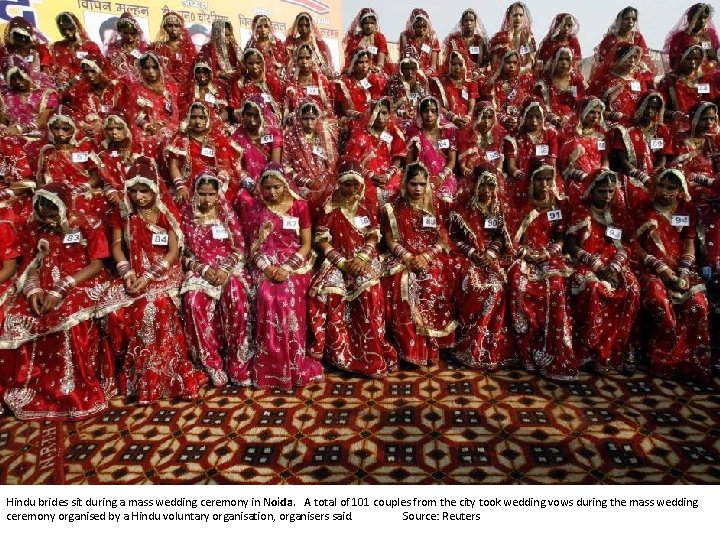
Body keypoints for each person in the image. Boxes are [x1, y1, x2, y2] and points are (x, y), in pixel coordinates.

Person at [0, 184, 112, 420]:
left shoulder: (86, 223)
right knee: (17, 317)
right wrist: (33, 291)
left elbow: (96, 265)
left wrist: (62, 288)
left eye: (53, 218)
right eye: (45, 218)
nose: (50, 223)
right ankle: (30, 390)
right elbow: (32, 264)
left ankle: (69, 392)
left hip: (83, 280)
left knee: (64, 316)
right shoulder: (38, 228)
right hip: (46, 283)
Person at [100, 157, 206, 404]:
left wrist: (149, 276)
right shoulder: (124, 211)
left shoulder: (163, 210)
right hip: (132, 270)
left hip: (163, 270)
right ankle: (130, 377)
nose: (138, 196)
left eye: (144, 190)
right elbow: (117, 245)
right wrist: (126, 272)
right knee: (112, 309)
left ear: (155, 189)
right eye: (134, 191)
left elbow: (172, 251)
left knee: (153, 306)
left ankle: (159, 375)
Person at [308, 159, 396, 377]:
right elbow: (322, 241)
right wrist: (343, 263)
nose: (350, 189)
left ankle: (372, 352)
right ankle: (339, 353)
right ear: (339, 184)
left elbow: (373, 236)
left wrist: (361, 259)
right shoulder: (330, 208)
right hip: (338, 261)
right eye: (346, 184)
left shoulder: (365, 207)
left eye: (354, 184)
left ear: (360, 185)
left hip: (363, 259)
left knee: (369, 292)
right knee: (330, 291)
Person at [241, 162, 324, 390]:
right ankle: (271, 368)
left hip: (295, 263)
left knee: (285, 297)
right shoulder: (257, 209)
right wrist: (267, 269)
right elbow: (254, 248)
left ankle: (292, 364)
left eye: (277, 187)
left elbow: (306, 245)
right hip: (265, 263)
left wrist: (287, 268)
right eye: (267, 188)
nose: (273, 192)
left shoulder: (299, 206)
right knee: (267, 295)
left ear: (285, 184)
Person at [381, 162, 462, 366]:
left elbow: (442, 239)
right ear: (405, 184)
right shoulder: (393, 207)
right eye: (413, 184)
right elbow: (390, 240)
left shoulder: (436, 205)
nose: (418, 189)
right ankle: (410, 349)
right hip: (402, 257)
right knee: (402, 283)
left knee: (434, 280)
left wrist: (426, 257)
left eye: (422, 184)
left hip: (430, 257)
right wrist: (408, 257)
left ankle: (432, 345)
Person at [634, 168, 711, 381]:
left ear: (679, 190)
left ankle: (690, 361)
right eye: (661, 185)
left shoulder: (687, 209)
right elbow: (635, 246)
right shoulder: (643, 209)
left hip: (680, 266)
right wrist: (660, 268)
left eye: (671, 188)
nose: (665, 192)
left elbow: (689, 244)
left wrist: (684, 271)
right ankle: (661, 361)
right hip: (650, 267)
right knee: (659, 301)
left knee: (698, 304)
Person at [507, 159, 576, 381]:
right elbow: (511, 237)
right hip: (523, 255)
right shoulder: (520, 203)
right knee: (519, 280)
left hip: (548, 256)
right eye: (540, 179)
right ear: (531, 180)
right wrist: (526, 254)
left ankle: (552, 349)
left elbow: (559, 238)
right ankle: (526, 348)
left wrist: (546, 254)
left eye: (549, 179)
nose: (545, 184)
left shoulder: (557, 204)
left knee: (555, 284)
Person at [566, 169, 640, 372]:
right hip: (586, 261)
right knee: (592, 288)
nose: (606, 196)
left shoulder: (618, 213)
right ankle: (590, 351)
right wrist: (597, 266)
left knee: (632, 287)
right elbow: (572, 246)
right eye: (601, 191)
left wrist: (614, 267)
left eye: (610, 191)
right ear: (592, 190)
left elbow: (626, 245)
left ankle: (619, 348)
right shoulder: (581, 211)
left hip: (615, 262)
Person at [181, 172, 251, 386]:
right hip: (200, 269)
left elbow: (240, 247)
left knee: (236, 297)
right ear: (195, 193)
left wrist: (226, 268)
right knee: (193, 302)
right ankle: (210, 363)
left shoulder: (225, 212)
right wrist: (201, 268)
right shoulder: (186, 215)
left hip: (228, 268)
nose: (207, 199)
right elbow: (181, 253)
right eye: (202, 194)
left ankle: (237, 362)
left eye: (212, 194)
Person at [449, 164, 514, 369]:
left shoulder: (498, 207)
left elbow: (501, 237)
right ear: (475, 185)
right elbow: (452, 237)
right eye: (483, 185)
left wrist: (491, 253)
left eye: (490, 186)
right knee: (477, 286)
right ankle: (469, 343)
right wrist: (472, 254)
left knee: (499, 287)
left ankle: (490, 346)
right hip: (466, 257)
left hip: (492, 257)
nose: (486, 191)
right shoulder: (463, 207)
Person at [167, 101, 241, 205]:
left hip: (214, 186)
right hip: (187, 186)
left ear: (208, 118)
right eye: (193, 117)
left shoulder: (217, 139)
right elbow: (173, 165)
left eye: (202, 117)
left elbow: (225, 167)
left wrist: (215, 188)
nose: (197, 121)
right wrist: (180, 186)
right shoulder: (181, 139)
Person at [609, 91, 673, 208]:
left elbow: (662, 158)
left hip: (654, 175)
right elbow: (622, 160)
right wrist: (641, 177)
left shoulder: (662, 131)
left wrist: (655, 174)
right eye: (646, 106)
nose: (649, 111)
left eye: (654, 108)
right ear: (639, 105)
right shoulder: (625, 129)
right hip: (630, 174)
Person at [344, 97, 406, 207]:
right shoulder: (359, 133)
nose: (381, 118)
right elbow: (352, 162)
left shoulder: (393, 130)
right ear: (370, 114)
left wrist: (388, 175)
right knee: (369, 196)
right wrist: (371, 175)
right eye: (377, 113)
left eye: (384, 113)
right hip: (364, 176)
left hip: (390, 175)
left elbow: (398, 155)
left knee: (401, 194)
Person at [118, 51, 180, 157]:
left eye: (154, 67)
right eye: (147, 68)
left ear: (160, 67)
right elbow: (134, 117)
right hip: (145, 132)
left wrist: (164, 127)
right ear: (141, 69)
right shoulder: (136, 89)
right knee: (146, 144)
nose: (151, 72)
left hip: (170, 130)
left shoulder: (171, 88)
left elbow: (175, 114)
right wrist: (148, 127)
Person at [282, 100, 338, 213]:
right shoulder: (290, 136)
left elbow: (333, 163)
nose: (309, 123)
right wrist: (307, 182)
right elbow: (286, 166)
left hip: (325, 182)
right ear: (298, 118)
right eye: (305, 118)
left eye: (312, 118)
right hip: (301, 185)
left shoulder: (324, 134)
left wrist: (321, 180)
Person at [504, 98, 559, 208]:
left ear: (543, 117)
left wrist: (545, 178)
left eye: (538, 117)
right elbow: (511, 166)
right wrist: (524, 177)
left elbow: (552, 163)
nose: (534, 122)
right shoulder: (513, 137)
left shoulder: (550, 134)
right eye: (530, 117)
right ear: (523, 117)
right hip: (522, 177)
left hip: (546, 175)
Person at [405, 96, 458, 202]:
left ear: (438, 112)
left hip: (444, 176)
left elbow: (452, 160)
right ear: (420, 113)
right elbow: (409, 163)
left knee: (445, 198)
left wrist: (441, 176)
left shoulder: (448, 130)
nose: (429, 115)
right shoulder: (414, 132)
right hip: (420, 177)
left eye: (433, 111)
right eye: (425, 111)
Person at [590, 43, 654, 127]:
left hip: (635, 127)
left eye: (635, 57)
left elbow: (645, 104)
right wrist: (611, 115)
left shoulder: (639, 79)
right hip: (611, 128)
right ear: (619, 58)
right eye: (629, 56)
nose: (632, 61)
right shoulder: (607, 80)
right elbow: (595, 107)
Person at [559, 97, 609, 201]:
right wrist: (587, 178)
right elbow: (566, 167)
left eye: (598, 113)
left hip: (599, 178)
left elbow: (605, 159)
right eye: (592, 112)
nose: (596, 116)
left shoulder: (600, 133)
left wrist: (604, 173)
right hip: (578, 179)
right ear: (582, 112)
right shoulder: (570, 133)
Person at [658, 42, 716, 132]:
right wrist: (673, 114)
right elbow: (659, 108)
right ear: (681, 59)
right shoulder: (670, 81)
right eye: (689, 58)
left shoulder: (704, 80)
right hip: (677, 129)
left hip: (703, 129)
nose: (692, 62)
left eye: (696, 58)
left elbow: (711, 105)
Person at [671, 101, 720, 202]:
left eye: (712, 118)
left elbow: (718, 169)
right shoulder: (677, 138)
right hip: (684, 184)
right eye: (705, 119)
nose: (709, 122)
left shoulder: (713, 141)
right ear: (694, 119)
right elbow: (672, 166)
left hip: (711, 185)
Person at [0, 56, 58, 139]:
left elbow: (43, 121)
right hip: (12, 138)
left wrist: (21, 129)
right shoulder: (4, 95)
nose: (18, 82)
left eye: (20, 77)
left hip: (39, 138)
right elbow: (3, 123)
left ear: (27, 73)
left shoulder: (47, 93)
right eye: (13, 79)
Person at [66, 54, 120, 142]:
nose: (89, 75)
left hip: (113, 131)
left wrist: (103, 124)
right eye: (86, 72)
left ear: (101, 71)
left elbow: (123, 112)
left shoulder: (115, 89)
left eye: (93, 71)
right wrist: (84, 125)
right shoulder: (80, 91)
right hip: (88, 134)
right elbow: (76, 113)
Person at [480, 46, 535, 132]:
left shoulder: (523, 82)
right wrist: (504, 119)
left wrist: (519, 120)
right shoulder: (492, 83)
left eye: (514, 62)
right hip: (498, 124)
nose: (511, 66)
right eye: (508, 62)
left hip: (520, 123)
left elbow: (528, 107)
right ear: (501, 63)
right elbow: (491, 109)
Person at [457, 101, 507, 193]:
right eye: (483, 117)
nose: (486, 122)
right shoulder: (465, 135)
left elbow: (500, 162)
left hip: (494, 177)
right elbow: (462, 167)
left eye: (490, 117)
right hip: (471, 178)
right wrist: (475, 175)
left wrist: (496, 173)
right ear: (476, 117)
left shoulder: (499, 135)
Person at [534, 46, 587, 132]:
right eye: (561, 59)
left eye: (567, 59)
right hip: (548, 119)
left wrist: (569, 116)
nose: (564, 62)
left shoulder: (576, 80)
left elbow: (581, 103)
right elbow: (538, 104)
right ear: (554, 60)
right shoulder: (545, 81)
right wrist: (551, 117)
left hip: (572, 118)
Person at [593, 6, 656, 79]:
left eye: (633, 19)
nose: (630, 21)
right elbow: (602, 62)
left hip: (634, 75)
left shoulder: (637, 37)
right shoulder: (609, 39)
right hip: (613, 77)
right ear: (620, 20)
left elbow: (644, 58)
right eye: (627, 19)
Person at [50, 12, 104, 93]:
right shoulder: (57, 47)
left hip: (87, 91)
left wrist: (78, 79)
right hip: (63, 91)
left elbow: (99, 69)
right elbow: (53, 69)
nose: (67, 33)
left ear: (76, 26)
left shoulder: (90, 46)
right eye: (63, 30)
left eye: (70, 28)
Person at [229, 48, 284, 124]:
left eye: (258, 63)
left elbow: (280, 104)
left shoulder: (272, 80)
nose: (255, 67)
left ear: (263, 63)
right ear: (244, 64)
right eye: (250, 64)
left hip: (272, 123)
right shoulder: (240, 84)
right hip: (248, 124)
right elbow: (235, 111)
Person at [284, 44, 336, 120]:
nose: (304, 62)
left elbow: (328, 107)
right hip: (297, 119)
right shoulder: (291, 81)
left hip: (319, 118)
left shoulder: (321, 80)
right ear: (296, 60)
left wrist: (318, 116)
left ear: (313, 59)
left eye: (308, 58)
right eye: (301, 58)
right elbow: (286, 108)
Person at [429, 50, 478, 131]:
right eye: (454, 64)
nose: (457, 67)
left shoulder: (471, 83)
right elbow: (437, 105)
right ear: (449, 64)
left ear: (465, 65)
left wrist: (468, 118)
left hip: (466, 121)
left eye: (460, 64)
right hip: (446, 120)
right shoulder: (440, 82)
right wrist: (453, 118)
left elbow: (471, 108)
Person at [336, 49, 385, 124]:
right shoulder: (345, 82)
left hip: (371, 120)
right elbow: (345, 110)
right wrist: (360, 116)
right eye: (361, 62)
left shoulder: (373, 80)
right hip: (352, 120)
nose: (364, 66)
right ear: (353, 63)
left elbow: (377, 104)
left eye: (366, 62)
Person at [664, 3, 719, 71]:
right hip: (684, 77)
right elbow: (673, 63)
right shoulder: (679, 38)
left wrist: (710, 65)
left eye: (705, 17)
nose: (702, 21)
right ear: (690, 18)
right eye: (698, 18)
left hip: (705, 76)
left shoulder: (707, 37)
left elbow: (713, 58)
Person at [0, 17, 52, 85]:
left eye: (25, 37)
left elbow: (46, 70)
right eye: (18, 36)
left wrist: (45, 69)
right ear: (10, 36)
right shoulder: (4, 52)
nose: (22, 40)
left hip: (35, 86)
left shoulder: (37, 50)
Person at [179, 57, 230, 126]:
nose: (202, 75)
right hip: (194, 124)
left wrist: (213, 123)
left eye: (205, 71)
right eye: (198, 72)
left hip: (216, 124)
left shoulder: (218, 88)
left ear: (210, 72)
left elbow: (225, 114)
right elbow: (182, 111)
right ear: (194, 73)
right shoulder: (187, 89)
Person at [381, 54, 429, 128]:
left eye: (412, 68)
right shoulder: (394, 82)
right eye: (406, 69)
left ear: (417, 69)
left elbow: (426, 103)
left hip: (419, 116)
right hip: (398, 117)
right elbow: (390, 109)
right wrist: (401, 110)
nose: (410, 72)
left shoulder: (422, 81)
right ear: (401, 70)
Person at [151, 11, 197, 87]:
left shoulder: (188, 46)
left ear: (181, 28)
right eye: (170, 26)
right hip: (165, 85)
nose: (173, 29)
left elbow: (193, 67)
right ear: (165, 28)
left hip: (186, 85)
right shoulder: (158, 46)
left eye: (176, 26)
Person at [285, 12, 335, 79]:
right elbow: (287, 65)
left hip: (315, 79)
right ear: (297, 27)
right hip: (296, 78)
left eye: (307, 25)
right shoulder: (292, 44)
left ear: (311, 26)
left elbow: (324, 66)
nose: (303, 28)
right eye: (300, 26)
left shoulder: (318, 45)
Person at [443, 9, 489, 80]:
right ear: (462, 23)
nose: (469, 23)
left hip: (476, 76)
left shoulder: (480, 41)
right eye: (466, 20)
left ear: (475, 23)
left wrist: (479, 71)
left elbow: (486, 62)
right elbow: (447, 61)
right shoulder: (454, 40)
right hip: (457, 76)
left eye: (471, 20)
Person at [492, 2, 536, 75]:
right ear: (509, 17)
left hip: (523, 74)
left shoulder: (528, 36)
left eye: (521, 15)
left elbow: (530, 61)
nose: (518, 18)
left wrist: (523, 70)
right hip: (504, 75)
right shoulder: (500, 37)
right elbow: (494, 64)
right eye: (515, 15)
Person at [105, 12, 149, 82]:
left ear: (137, 32)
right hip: (122, 83)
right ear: (119, 31)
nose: (129, 36)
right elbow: (110, 68)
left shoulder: (143, 46)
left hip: (142, 83)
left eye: (132, 33)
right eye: (126, 33)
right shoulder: (114, 47)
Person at [343, 8, 388, 73]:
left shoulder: (379, 37)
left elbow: (381, 60)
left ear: (375, 24)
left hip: (374, 71)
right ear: (361, 24)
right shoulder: (355, 37)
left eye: (371, 23)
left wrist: (378, 68)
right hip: (356, 70)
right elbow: (350, 57)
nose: (369, 26)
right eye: (366, 23)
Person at [200, 20, 241, 91]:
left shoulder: (234, 48)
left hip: (235, 80)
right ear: (216, 34)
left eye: (228, 35)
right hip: (217, 82)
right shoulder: (207, 49)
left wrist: (236, 73)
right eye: (223, 35)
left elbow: (243, 65)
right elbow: (203, 69)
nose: (226, 38)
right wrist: (219, 73)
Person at [398, 9, 440, 77]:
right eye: (418, 27)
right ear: (413, 26)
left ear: (427, 25)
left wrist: (429, 71)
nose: (421, 30)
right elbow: (403, 61)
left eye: (424, 26)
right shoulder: (405, 38)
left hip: (428, 75)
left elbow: (433, 65)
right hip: (409, 73)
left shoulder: (432, 38)